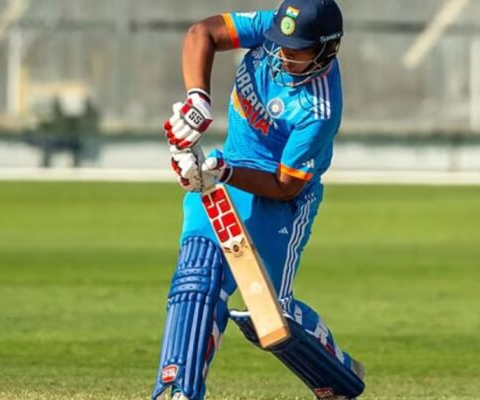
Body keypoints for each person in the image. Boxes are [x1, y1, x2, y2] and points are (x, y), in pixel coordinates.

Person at [153, 1, 365, 399]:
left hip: (279, 199)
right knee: (196, 280)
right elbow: (203, 33)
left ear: (327, 50)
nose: (284, 55)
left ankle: (340, 374)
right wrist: (198, 99)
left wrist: (223, 171)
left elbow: (286, 184)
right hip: (226, 172)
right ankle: (178, 389)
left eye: (298, 50)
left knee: (269, 316)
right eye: (282, 44)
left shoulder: (318, 109)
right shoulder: (274, 31)